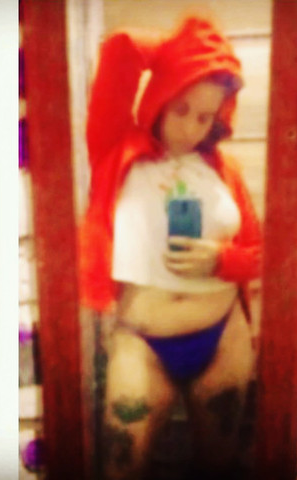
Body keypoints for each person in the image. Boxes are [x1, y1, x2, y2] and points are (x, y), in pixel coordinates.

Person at [78, 15, 261, 480]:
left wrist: (222, 260)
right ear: (160, 95)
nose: (191, 128)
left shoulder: (224, 170)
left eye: (205, 116)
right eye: (181, 109)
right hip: (142, 342)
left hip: (223, 336)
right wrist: (188, 54)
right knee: (121, 467)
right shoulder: (116, 148)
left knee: (218, 469)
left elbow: (262, 254)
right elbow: (121, 47)